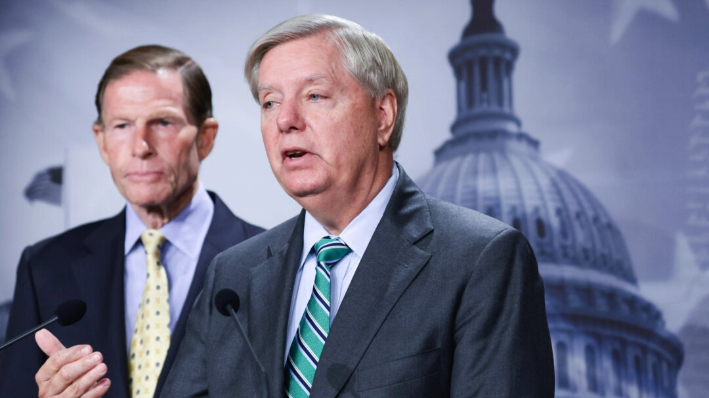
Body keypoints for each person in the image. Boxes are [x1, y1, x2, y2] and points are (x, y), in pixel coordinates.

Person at [162, 14, 554, 397]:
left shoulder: (481, 260)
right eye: (269, 103)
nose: (285, 120)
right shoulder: (232, 275)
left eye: (314, 96)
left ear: (382, 116)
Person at [0, 45, 264, 398]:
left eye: (163, 122)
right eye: (122, 125)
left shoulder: (272, 264)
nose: (141, 146)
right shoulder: (46, 267)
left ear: (205, 138)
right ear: (102, 141)